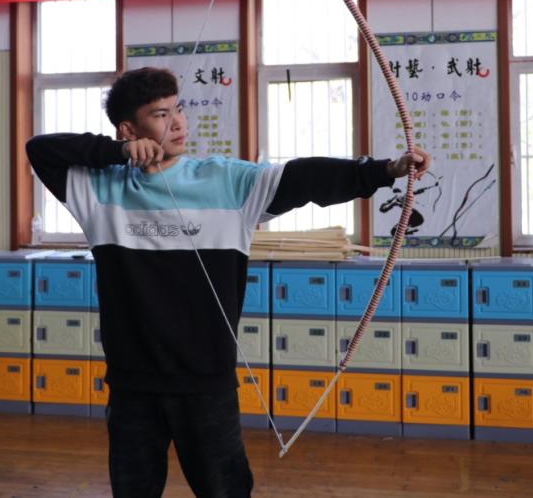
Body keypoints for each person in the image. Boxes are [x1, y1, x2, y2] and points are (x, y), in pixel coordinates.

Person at [25, 67, 430, 498]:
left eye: (179, 109)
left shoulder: (228, 182)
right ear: (129, 129)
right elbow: (41, 149)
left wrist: (385, 170)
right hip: (132, 386)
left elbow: (304, 178)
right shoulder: (97, 191)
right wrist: (117, 152)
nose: (178, 123)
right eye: (161, 115)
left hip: (206, 385)